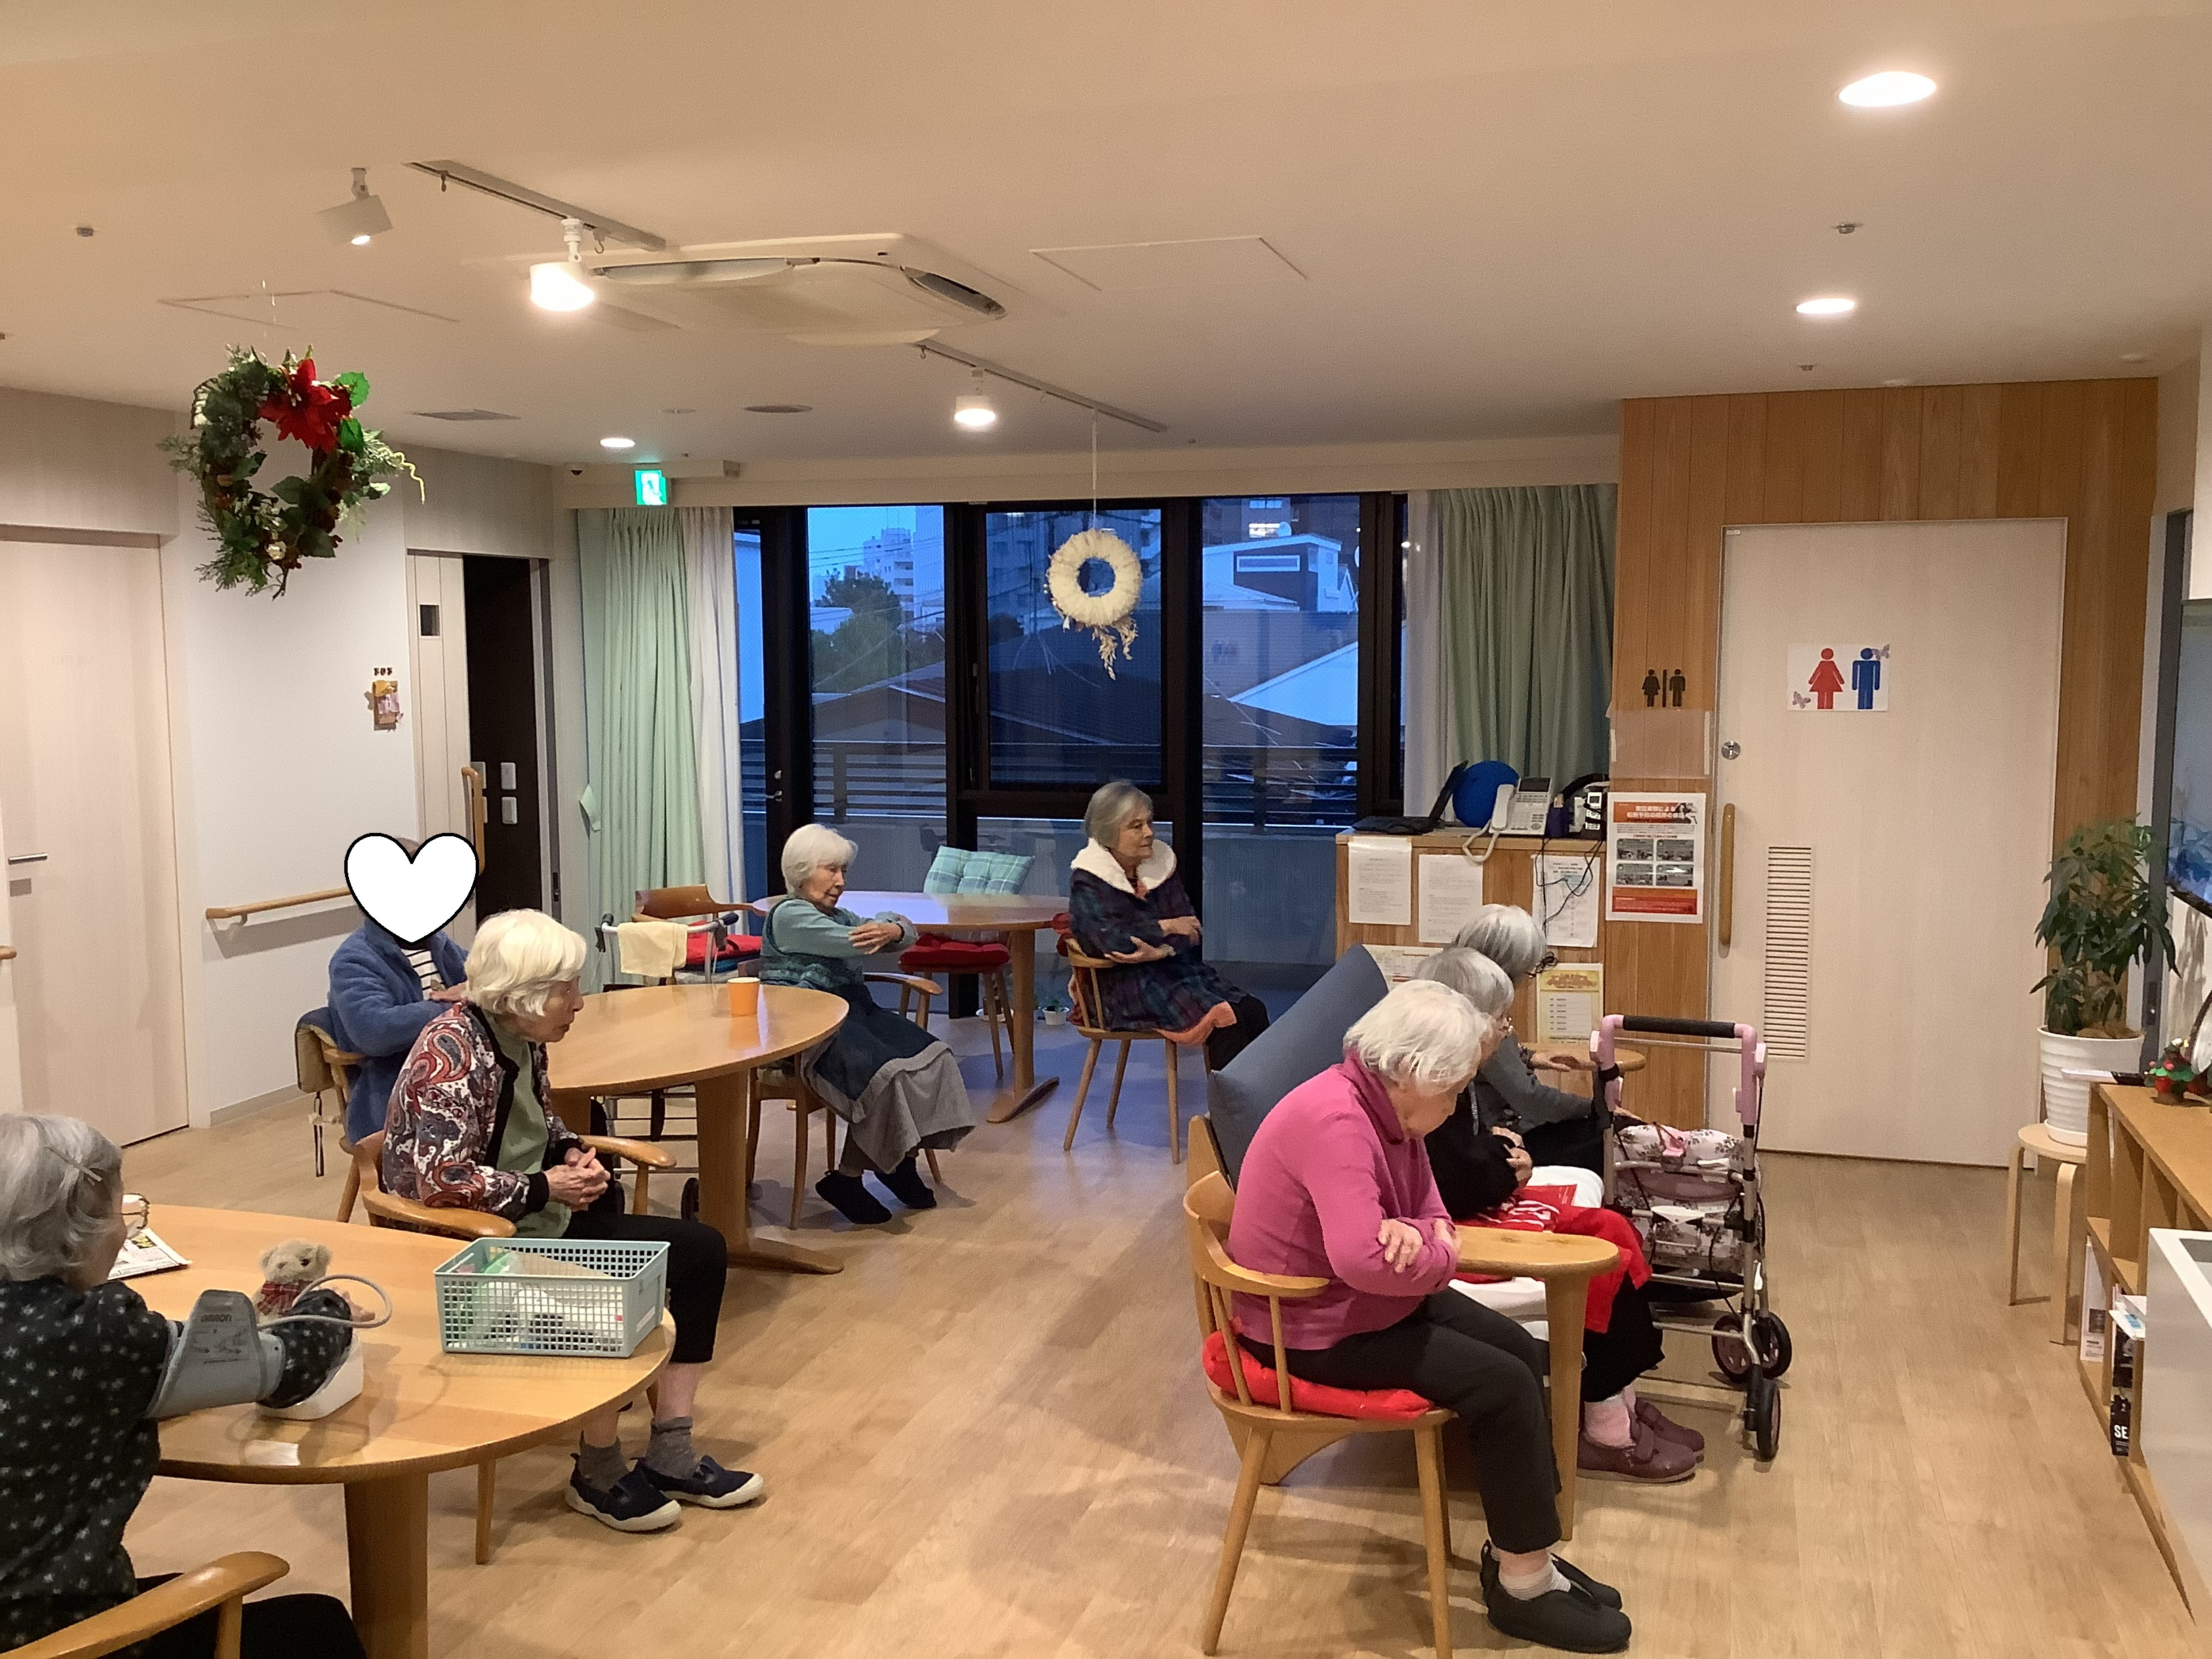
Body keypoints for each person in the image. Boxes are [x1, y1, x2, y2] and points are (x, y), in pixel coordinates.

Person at [1228, 982, 1631, 1652]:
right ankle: (1524, 1588)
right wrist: (1433, 1248)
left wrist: (1422, 1240)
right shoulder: (1337, 1121)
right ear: (1411, 1072)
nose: (1456, 1104)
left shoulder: (1390, 1112)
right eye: (1453, 1089)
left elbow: (1434, 1213)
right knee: (1503, 1384)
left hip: (1366, 1304)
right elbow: (1365, 1260)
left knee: (1519, 1351)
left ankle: (1520, 1552)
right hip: (1305, 1329)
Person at [381, 909, 762, 1534]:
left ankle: (669, 1450)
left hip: (532, 1218)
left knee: (700, 1251)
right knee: (614, 1284)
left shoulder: (519, 1035)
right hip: (470, 1247)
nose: (579, 1003)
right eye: (567, 990)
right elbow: (442, 1182)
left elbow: (540, 1119)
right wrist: (545, 1186)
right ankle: (598, 1469)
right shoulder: (452, 1053)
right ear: (523, 994)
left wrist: (570, 1153)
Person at [0, 1114, 367, 1658]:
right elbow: (288, 1370)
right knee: (319, 1625)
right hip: (52, 1638)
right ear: (76, 1227)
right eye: (120, 1214)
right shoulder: (96, 1330)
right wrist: (329, 1307)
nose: (124, 1233)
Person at [1412, 948, 1702, 1483]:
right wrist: (1509, 1167)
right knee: (1599, 1257)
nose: (1507, 1031)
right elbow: (1450, 1176)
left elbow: (1466, 1150)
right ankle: (1605, 1425)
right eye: (1501, 1021)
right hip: (1450, 1230)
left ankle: (1620, 1398)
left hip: (1464, 1207)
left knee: (1611, 1231)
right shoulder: (1429, 1084)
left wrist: (1503, 1153)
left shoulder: (1453, 1076)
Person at [756, 825, 977, 1225]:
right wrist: (888, 929)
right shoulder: (789, 915)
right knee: (886, 1075)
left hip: (855, 1013)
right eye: (831, 870)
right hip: (810, 1029)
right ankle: (854, 1178)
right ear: (802, 870)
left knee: (935, 1057)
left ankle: (897, 1161)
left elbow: (904, 932)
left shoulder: (838, 915)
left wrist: (894, 927)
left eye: (843, 871)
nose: (841, 881)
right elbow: (856, 941)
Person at [1067, 781, 1269, 1071]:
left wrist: (1160, 951)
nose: (1149, 832)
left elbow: (1192, 929)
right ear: (1108, 832)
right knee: (1225, 1019)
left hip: (1172, 970)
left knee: (1252, 1010)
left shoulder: (1159, 866)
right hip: (1120, 987)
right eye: (1136, 826)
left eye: (1149, 822)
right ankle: (1228, 1101)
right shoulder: (1088, 881)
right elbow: (1115, 942)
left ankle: (1261, 1098)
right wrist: (1166, 927)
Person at [1452, 905, 1616, 1172]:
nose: (1529, 980)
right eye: (1527, 971)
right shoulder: (1482, 1015)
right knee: (1613, 1138)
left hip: (1504, 1129)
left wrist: (1529, 1057)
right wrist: (1597, 1108)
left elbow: (1497, 1065)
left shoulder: (1459, 994)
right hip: (1508, 1139)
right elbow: (1532, 1101)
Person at [327, 910, 470, 1141]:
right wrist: (455, 1006)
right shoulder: (353, 959)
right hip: (395, 1091)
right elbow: (374, 1031)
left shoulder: (439, 943)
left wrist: (477, 990)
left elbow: (484, 981)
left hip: (460, 1077)